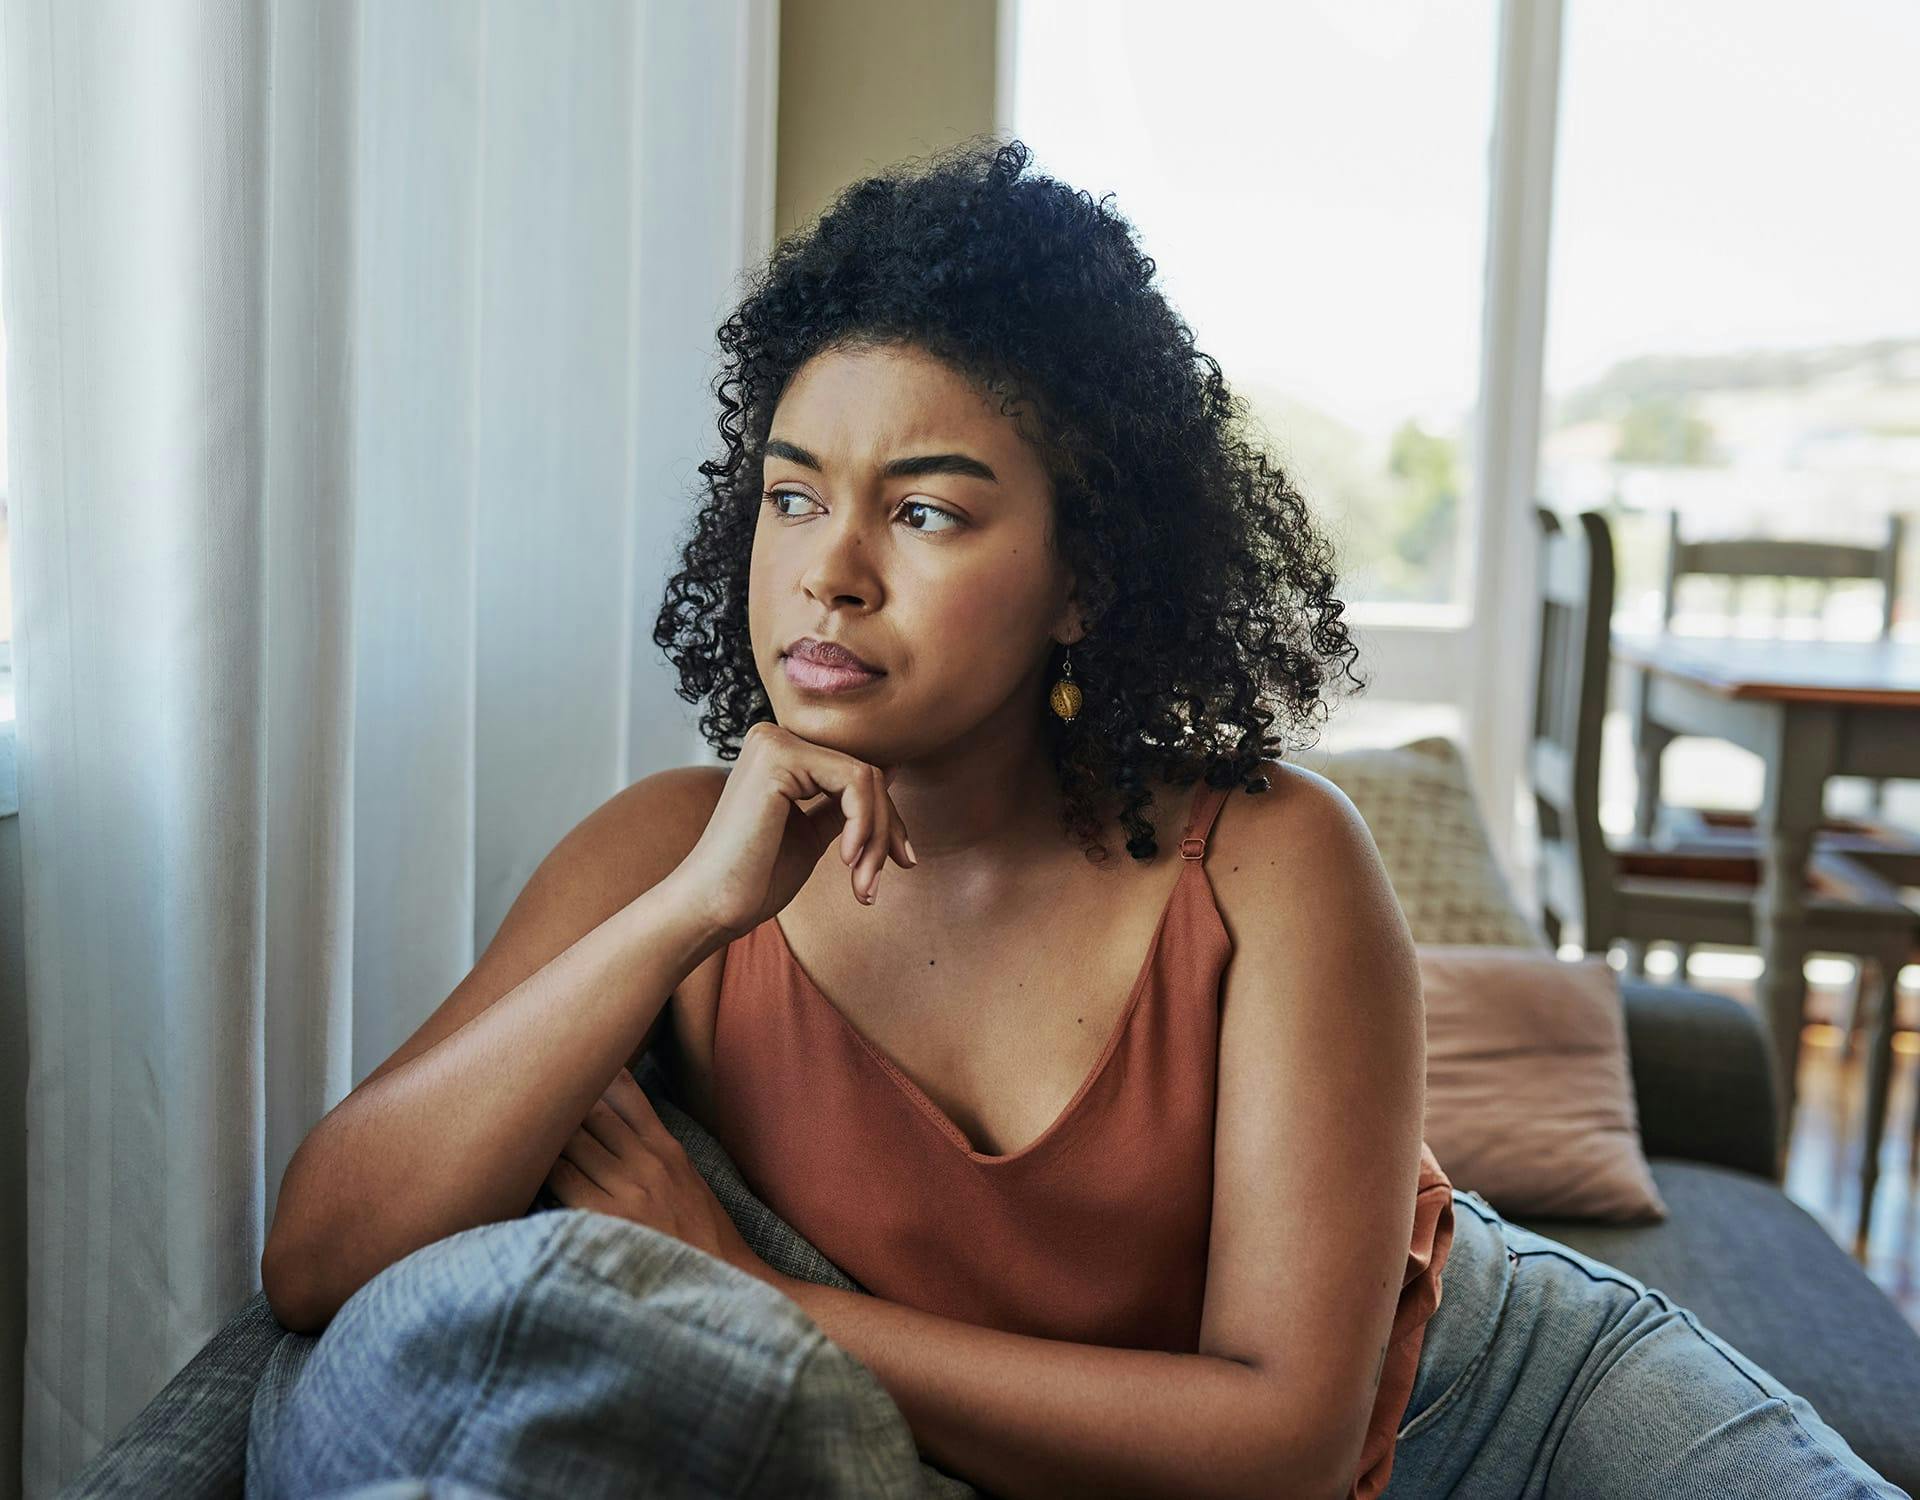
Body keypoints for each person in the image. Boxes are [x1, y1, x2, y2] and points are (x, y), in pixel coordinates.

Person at [261, 138, 1907, 1499]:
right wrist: (691, 913)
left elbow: (1281, 1444)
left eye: (924, 510)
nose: (831, 566)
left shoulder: (1269, 858)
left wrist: (748, 1298)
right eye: (790, 495)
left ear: (1084, 577)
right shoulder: (667, 861)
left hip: (1508, 1412)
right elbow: (322, 1258)